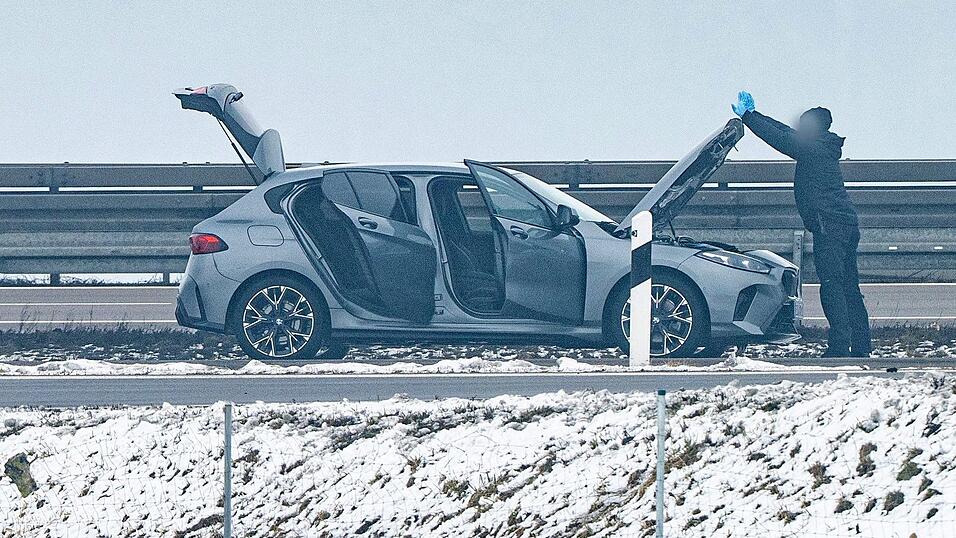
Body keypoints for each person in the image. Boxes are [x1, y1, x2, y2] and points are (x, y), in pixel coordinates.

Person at [731, 91, 871, 357]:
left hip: (830, 226)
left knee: (832, 286)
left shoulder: (813, 149)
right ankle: (862, 346)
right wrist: (754, 115)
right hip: (844, 224)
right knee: (849, 288)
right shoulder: (822, 145)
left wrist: (748, 117)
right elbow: (785, 132)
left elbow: (781, 139)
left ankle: (840, 348)